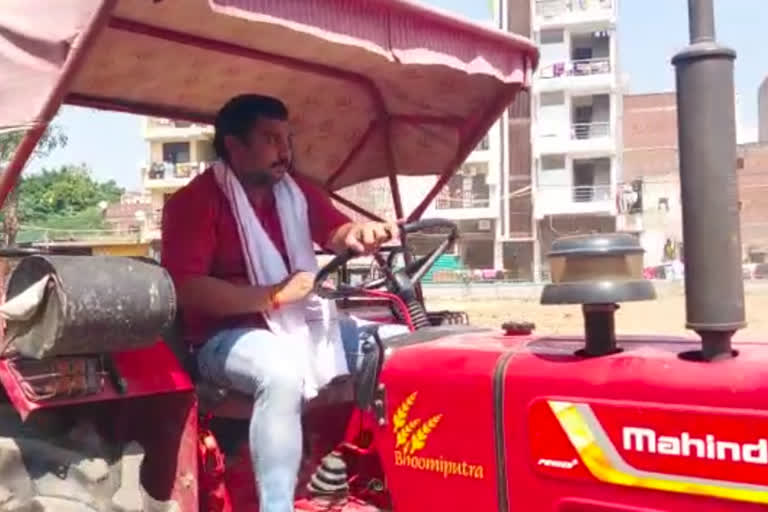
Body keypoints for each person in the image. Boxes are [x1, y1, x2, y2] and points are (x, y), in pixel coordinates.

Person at [161, 94, 405, 512]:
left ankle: (381, 480)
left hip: (298, 323)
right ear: (235, 146)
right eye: (271, 139)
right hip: (222, 338)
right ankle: (277, 506)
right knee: (281, 373)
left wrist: (357, 234)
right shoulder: (194, 202)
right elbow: (187, 289)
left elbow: (336, 231)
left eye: (287, 139)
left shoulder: (295, 192)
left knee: (400, 345)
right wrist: (272, 296)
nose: (285, 151)